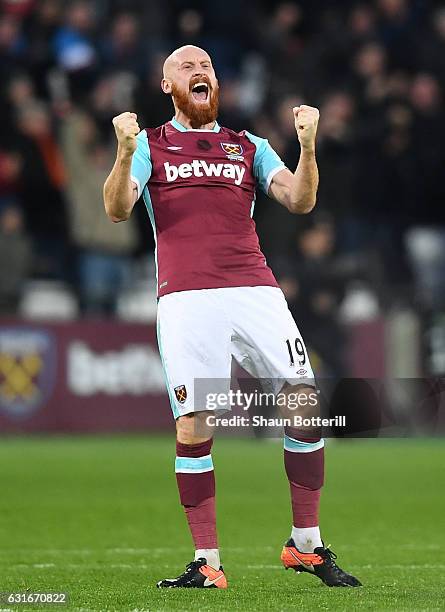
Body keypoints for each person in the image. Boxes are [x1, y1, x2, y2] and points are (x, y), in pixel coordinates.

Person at [103, 45, 361, 590]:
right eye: (186, 67)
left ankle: (306, 546)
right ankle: (207, 562)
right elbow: (118, 207)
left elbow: (299, 200)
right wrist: (124, 153)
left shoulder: (248, 146)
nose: (200, 72)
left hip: (254, 287)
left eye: (207, 67)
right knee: (195, 422)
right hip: (187, 295)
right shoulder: (150, 144)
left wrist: (308, 146)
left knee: (304, 405)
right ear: (166, 85)